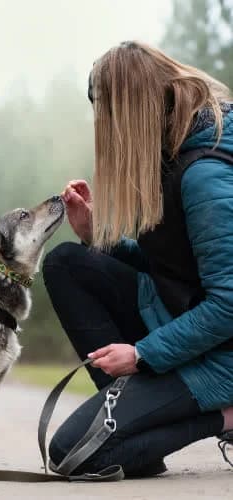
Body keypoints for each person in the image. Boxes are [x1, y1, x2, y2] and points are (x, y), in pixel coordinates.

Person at [43, 41, 233, 477]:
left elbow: (229, 303)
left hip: (224, 355)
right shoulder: (176, 153)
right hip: (190, 330)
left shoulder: (205, 174)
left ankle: (224, 418)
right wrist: (97, 236)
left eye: (107, 115)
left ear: (132, 112)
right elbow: (175, 270)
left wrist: (143, 354)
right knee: (67, 262)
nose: (104, 127)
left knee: (76, 454)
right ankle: (133, 430)